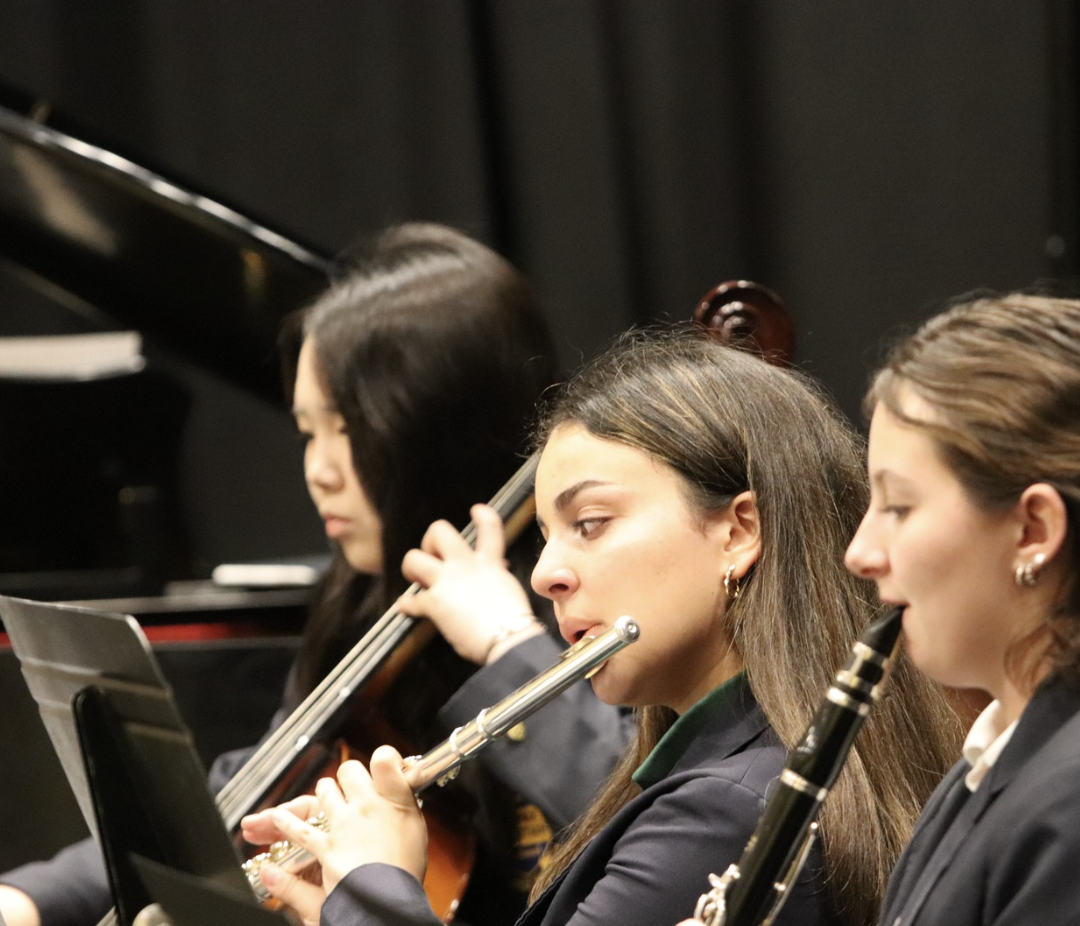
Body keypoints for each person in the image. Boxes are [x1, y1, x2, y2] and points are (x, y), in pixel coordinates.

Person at [0, 223, 630, 926]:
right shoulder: (369, 602)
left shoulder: (575, 597)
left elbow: (639, 811)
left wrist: (509, 645)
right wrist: (32, 898)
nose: (318, 470)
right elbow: (252, 794)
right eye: (307, 430)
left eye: (349, 430)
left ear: (437, 427)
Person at [241, 328, 963, 926]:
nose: (546, 572)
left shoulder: (727, 812)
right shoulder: (726, 774)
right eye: (550, 534)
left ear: (740, 532)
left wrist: (373, 891)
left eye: (590, 524)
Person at [839, 291, 1080, 926]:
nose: (859, 553)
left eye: (897, 507)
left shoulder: (1068, 805)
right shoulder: (996, 753)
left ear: (1033, 530)